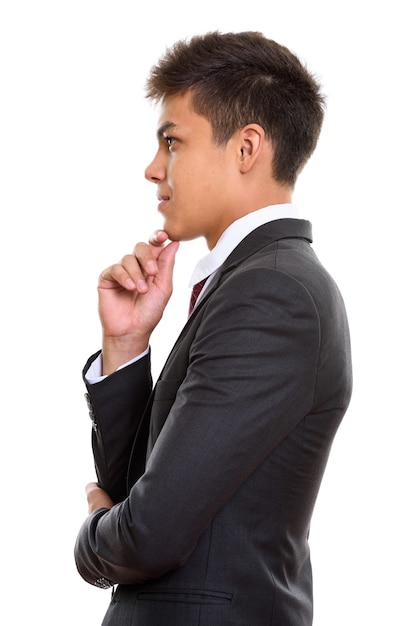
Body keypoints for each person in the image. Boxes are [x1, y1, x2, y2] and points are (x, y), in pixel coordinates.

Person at [74, 31, 352, 626]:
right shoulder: (252, 283)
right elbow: (143, 490)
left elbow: (148, 533)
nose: (153, 169)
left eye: (172, 142)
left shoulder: (272, 293)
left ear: (247, 147)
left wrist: (91, 537)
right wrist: (126, 347)